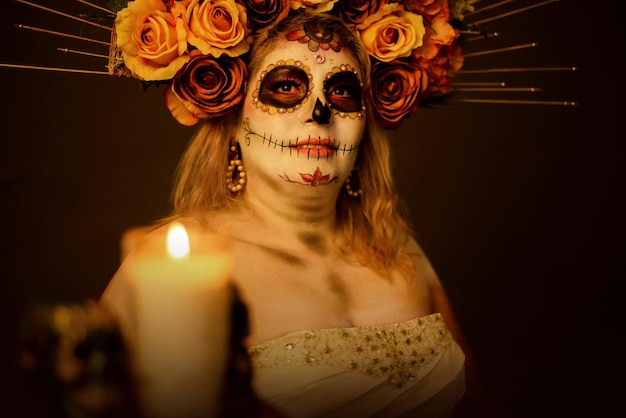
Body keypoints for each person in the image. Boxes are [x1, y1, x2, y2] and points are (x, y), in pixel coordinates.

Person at [101, 1, 495, 417]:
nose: (318, 113)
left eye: (342, 91)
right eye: (286, 87)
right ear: (233, 118)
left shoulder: (401, 252)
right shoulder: (177, 264)